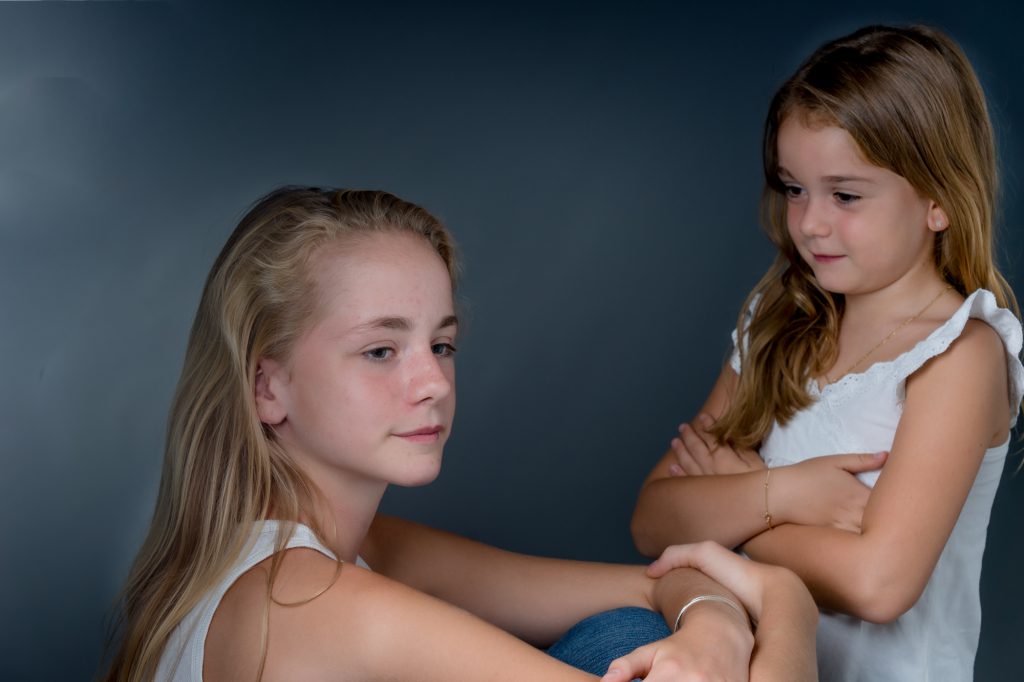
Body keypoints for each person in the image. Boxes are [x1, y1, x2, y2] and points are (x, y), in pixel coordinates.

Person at [101, 187, 816, 682]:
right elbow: (679, 596)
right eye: (381, 350)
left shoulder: (350, 551)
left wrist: (711, 621)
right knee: (636, 648)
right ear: (267, 386)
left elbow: (648, 584)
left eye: (440, 345)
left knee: (632, 637)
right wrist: (788, 603)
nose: (434, 384)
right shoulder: (306, 598)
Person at [631, 24, 1024, 682]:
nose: (811, 223)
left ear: (938, 201)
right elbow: (651, 519)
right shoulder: (777, 323)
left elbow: (878, 584)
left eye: (845, 195)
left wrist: (741, 504)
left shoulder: (960, 355)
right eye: (793, 189)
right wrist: (788, 493)